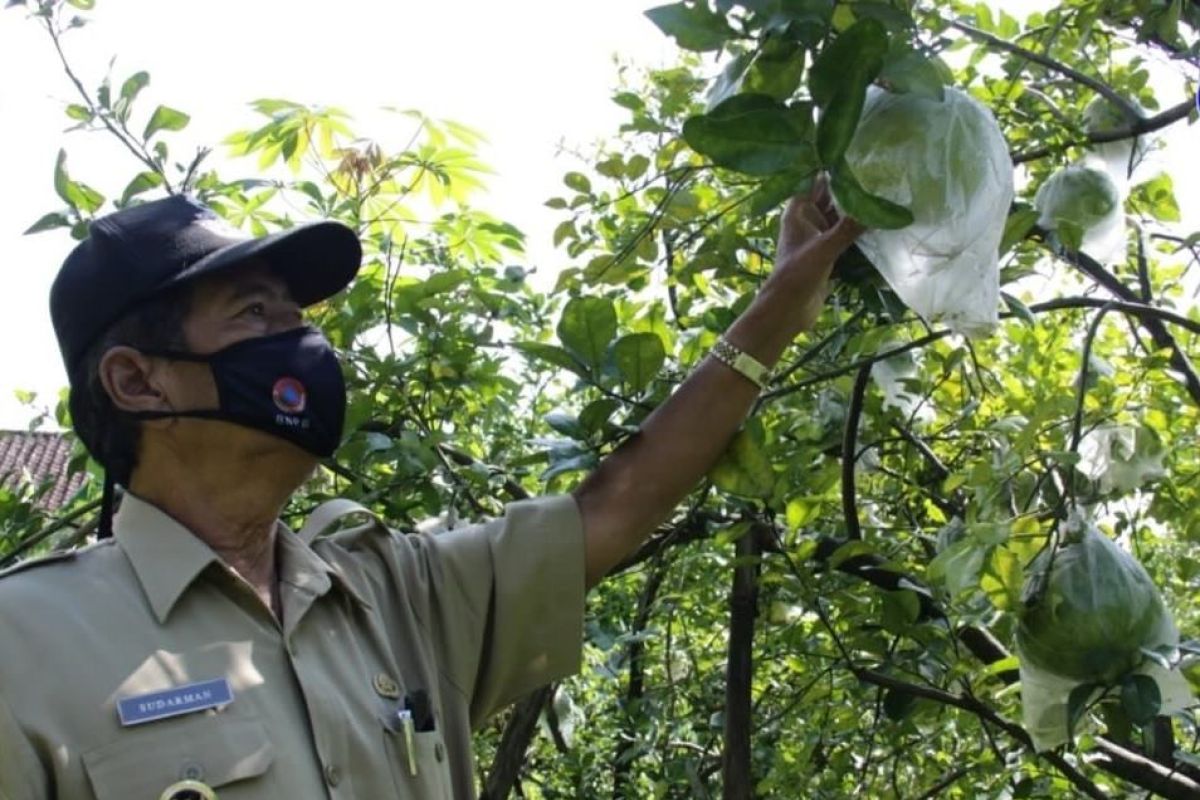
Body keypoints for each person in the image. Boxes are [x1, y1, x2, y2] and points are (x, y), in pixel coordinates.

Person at [0, 186, 860, 799]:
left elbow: (615, 503)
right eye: (256, 314)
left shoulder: (395, 595)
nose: (302, 341)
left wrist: (781, 305)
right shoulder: (24, 650)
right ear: (138, 383)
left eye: (298, 317)